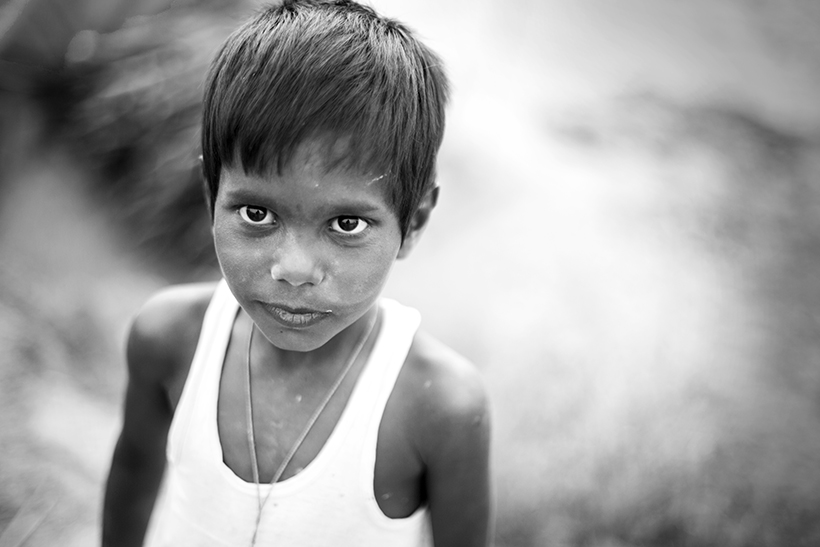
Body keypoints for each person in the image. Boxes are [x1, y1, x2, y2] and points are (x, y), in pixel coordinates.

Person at [102, 1, 492, 545]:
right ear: (211, 196)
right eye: (256, 213)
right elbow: (132, 475)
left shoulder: (438, 407)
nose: (293, 270)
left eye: (347, 223)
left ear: (414, 221)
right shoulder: (169, 338)